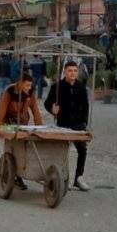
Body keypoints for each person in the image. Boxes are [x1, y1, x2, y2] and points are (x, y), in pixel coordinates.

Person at [46, 61, 91, 191]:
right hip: (63, 123)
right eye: (70, 70)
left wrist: (84, 123)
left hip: (78, 124)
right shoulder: (57, 87)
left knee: (82, 150)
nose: (72, 73)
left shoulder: (81, 87)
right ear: (65, 72)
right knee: (62, 151)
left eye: (75, 71)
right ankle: (62, 178)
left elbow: (86, 106)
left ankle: (79, 178)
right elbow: (47, 103)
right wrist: (52, 110)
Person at [0, 72, 43, 190]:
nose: (29, 88)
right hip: (10, 123)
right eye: (27, 85)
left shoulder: (30, 93)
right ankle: (14, 176)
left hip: (23, 123)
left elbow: (35, 111)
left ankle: (20, 174)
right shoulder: (9, 92)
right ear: (20, 83)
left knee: (25, 149)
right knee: (14, 149)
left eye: (30, 85)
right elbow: (1, 111)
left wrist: (40, 128)